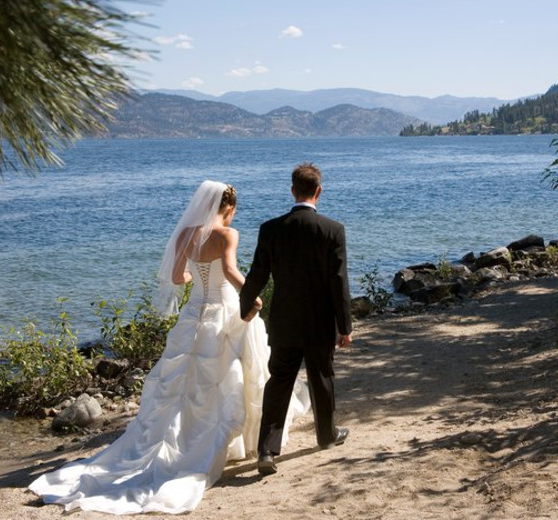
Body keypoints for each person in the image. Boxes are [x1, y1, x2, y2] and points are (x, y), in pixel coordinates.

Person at [28, 181, 309, 514]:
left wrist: (196, 278)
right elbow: (232, 271)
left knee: (183, 382)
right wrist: (254, 295)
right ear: (228, 208)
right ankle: (240, 443)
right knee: (232, 374)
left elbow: (178, 278)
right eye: (233, 211)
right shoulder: (226, 235)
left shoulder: (186, 233)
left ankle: (180, 440)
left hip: (195, 311)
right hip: (224, 310)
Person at [240, 162, 353, 476]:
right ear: (318, 191)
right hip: (319, 322)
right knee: (322, 379)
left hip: (284, 322)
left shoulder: (271, 229)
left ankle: (266, 450)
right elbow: (338, 281)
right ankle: (327, 436)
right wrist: (345, 326)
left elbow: (257, 274)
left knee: (278, 385)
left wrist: (245, 306)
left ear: (293, 190)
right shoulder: (333, 230)